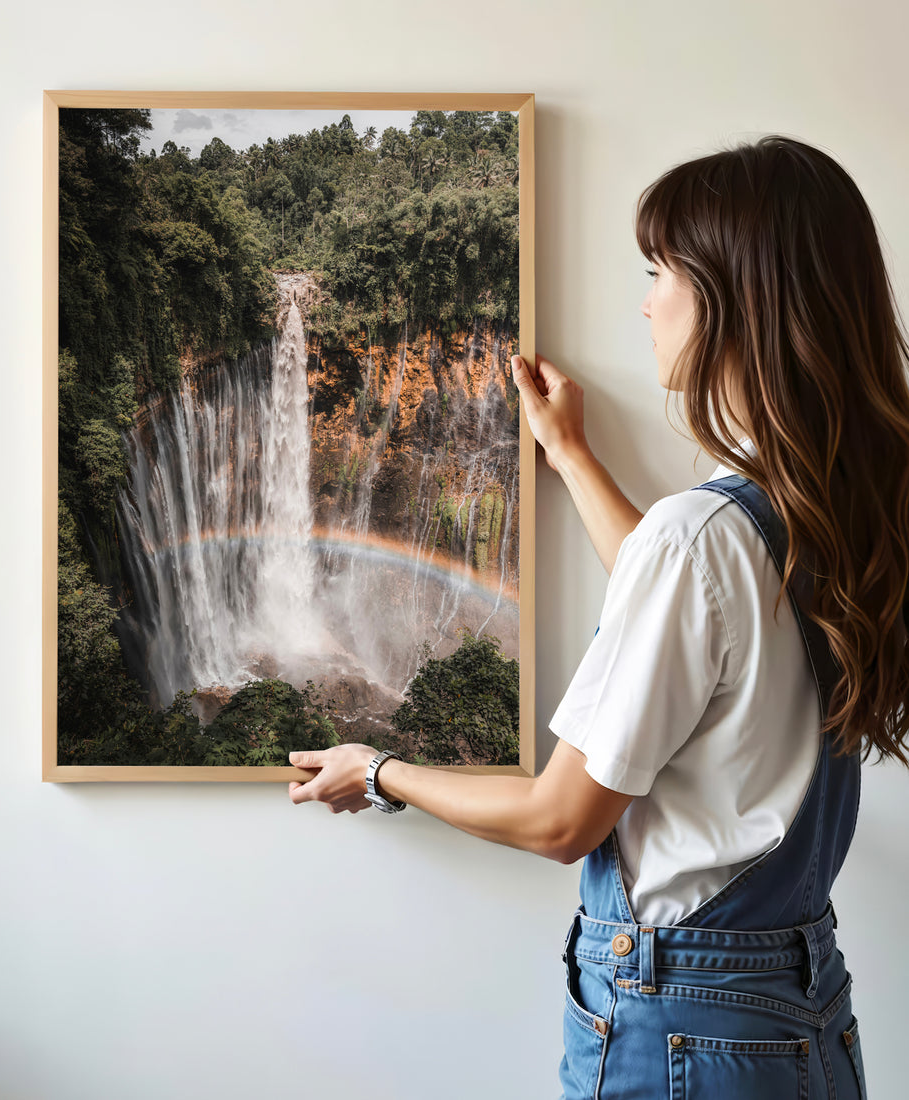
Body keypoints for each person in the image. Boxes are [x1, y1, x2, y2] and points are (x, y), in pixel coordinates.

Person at [287, 134, 909, 1098]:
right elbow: (699, 625)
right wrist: (573, 456)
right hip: (796, 1012)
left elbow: (559, 819)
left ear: (734, 300)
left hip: (681, 1028)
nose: (647, 300)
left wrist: (377, 771)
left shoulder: (702, 536)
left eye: (661, 272)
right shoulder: (828, 508)